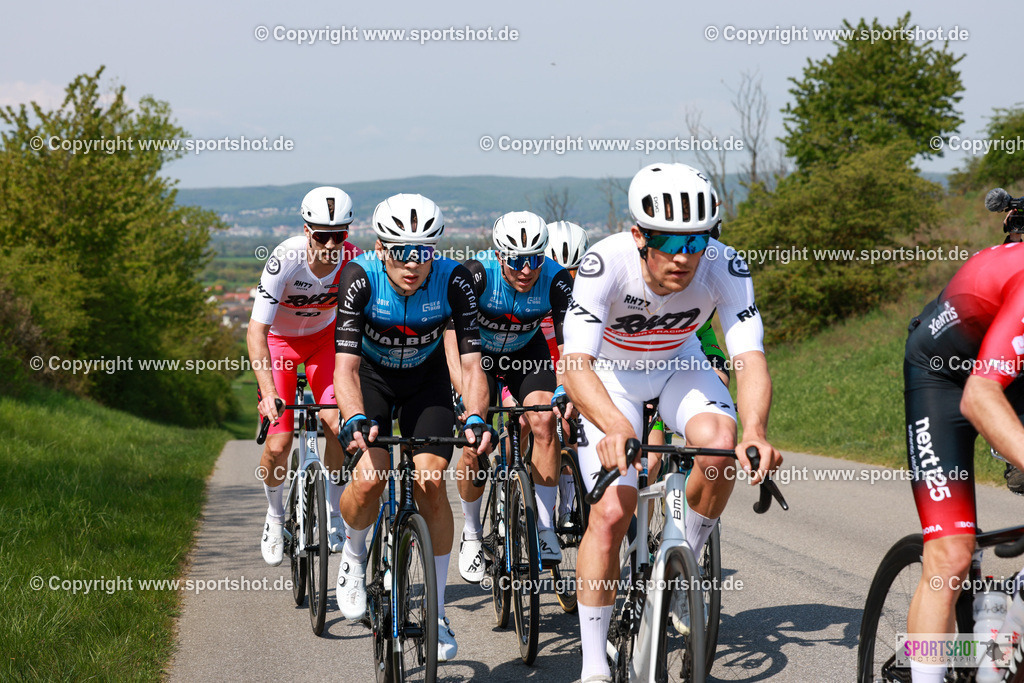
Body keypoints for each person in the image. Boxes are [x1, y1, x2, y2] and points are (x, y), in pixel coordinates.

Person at [561, 162, 782, 683]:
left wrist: (755, 431)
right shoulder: (604, 264)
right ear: (639, 235)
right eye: (668, 241)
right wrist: (616, 426)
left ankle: (687, 558)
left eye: (697, 241)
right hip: (611, 378)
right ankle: (594, 663)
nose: (684, 256)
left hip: (680, 364)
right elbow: (574, 365)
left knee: (720, 444)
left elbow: (749, 357)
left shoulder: (725, 266)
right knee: (613, 513)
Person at [333, 193, 493, 662]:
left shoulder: (454, 281)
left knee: (428, 482)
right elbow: (343, 368)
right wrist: (353, 417)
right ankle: (355, 554)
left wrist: (478, 413)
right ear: (381, 249)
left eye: (422, 251)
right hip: (373, 381)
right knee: (369, 480)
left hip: (426, 384)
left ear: (434, 252)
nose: (411, 262)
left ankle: (438, 611)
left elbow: (472, 363)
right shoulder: (359, 278)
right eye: (400, 250)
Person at [902, 240, 1024, 682]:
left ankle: (1003, 645)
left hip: (1013, 374)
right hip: (945, 378)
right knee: (950, 556)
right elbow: (980, 396)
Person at [446, 211, 574, 583]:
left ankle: (545, 527)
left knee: (545, 420)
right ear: (500, 255)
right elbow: (451, 340)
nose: (526, 269)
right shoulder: (475, 276)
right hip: (475, 356)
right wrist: (463, 396)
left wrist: (564, 388)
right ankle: (471, 532)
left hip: (525, 352)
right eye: (517, 261)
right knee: (475, 442)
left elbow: (568, 347)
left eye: (535, 259)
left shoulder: (555, 278)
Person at [248, 186, 361, 566]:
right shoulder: (285, 260)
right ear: (306, 230)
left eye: (339, 235)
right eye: (321, 235)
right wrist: (266, 392)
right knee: (278, 444)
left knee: (336, 423)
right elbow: (256, 331)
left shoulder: (353, 261)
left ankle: (331, 513)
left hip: (323, 342)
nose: (330, 243)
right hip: (280, 345)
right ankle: (275, 515)